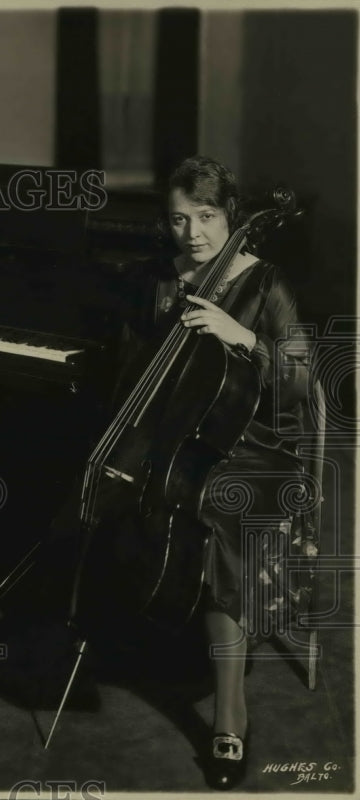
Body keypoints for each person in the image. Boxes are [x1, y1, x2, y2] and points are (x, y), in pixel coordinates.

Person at [111, 156, 313, 789]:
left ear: (230, 215)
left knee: (220, 512)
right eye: (178, 219)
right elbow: (128, 372)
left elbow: (304, 380)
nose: (193, 233)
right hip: (173, 437)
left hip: (252, 446)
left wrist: (240, 336)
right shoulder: (158, 280)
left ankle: (229, 710)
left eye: (206, 216)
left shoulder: (266, 282)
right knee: (128, 490)